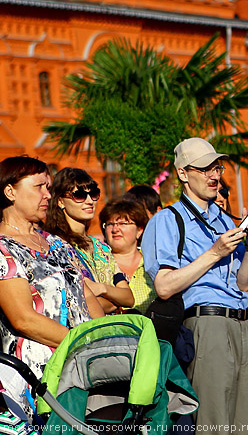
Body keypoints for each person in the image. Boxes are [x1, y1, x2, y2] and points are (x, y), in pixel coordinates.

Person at [142, 137, 248, 433]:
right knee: (214, 424)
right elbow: (164, 286)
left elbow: (242, 283)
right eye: (204, 169)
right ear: (183, 174)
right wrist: (215, 252)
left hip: (242, 324)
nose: (214, 176)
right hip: (206, 324)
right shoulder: (167, 220)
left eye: (217, 168)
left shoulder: (226, 219)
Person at [0, 156, 104, 421]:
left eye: (48, 186)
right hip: (38, 380)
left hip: (83, 369)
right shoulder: (3, 248)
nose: (47, 194)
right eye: (38, 187)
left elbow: (85, 293)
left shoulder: (54, 242)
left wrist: (104, 339)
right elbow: (23, 318)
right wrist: (84, 342)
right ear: (10, 191)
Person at [44, 168, 134, 314]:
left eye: (93, 194)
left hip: (114, 330)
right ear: (60, 202)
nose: (89, 201)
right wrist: (114, 301)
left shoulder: (102, 247)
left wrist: (102, 288)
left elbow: (129, 298)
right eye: (79, 195)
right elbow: (78, 302)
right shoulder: (55, 246)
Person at [99, 198, 155, 314]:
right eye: (110, 224)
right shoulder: (99, 265)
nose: (115, 229)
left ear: (139, 230)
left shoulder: (154, 263)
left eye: (123, 223)